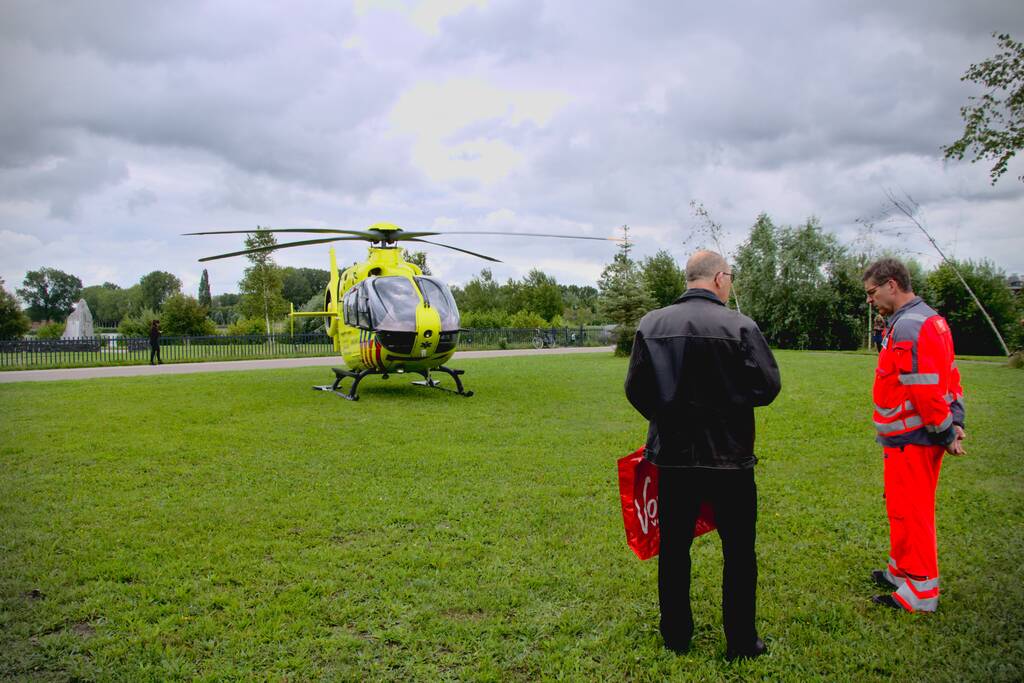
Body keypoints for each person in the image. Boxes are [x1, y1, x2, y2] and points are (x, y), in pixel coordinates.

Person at [625, 250, 781, 660]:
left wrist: (666, 417)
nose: (730, 285)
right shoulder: (740, 326)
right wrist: (729, 407)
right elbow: (767, 386)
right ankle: (742, 641)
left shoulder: (652, 324)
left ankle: (676, 634)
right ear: (718, 279)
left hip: (674, 458)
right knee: (739, 553)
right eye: (729, 279)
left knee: (674, 549)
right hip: (730, 459)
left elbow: (636, 389)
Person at [862, 258, 966, 612]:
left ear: (892, 284)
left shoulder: (909, 326)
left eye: (872, 292)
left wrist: (945, 431)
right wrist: (956, 421)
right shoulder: (929, 321)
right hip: (907, 437)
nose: (870, 300)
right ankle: (901, 571)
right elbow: (951, 375)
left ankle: (921, 591)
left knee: (913, 510)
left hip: (914, 436)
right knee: (900, 507)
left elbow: (925, 387)